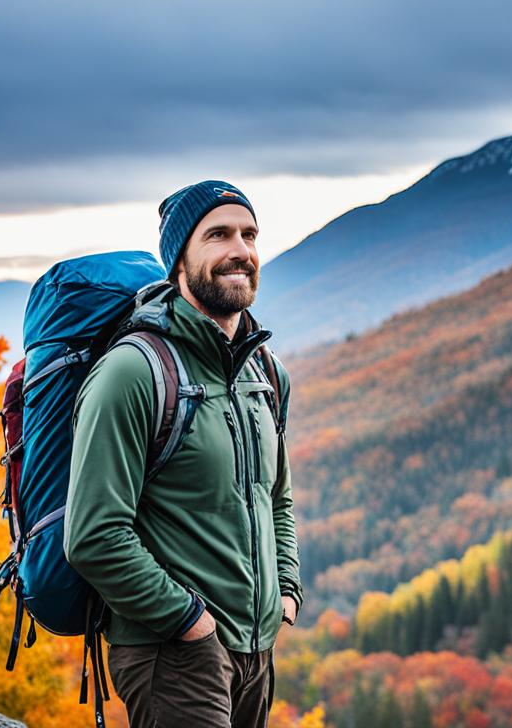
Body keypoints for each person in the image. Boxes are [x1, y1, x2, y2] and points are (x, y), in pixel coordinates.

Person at [64, 180, 304, 728]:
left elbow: (277, 499)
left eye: (249, 234)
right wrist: (190, 621)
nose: (239, 250)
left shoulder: (263, 372)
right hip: (172, 653)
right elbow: (94, 536)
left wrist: (285, 590)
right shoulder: (133, 372)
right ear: (179, 260)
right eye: (217, 235)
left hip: (255, 649)